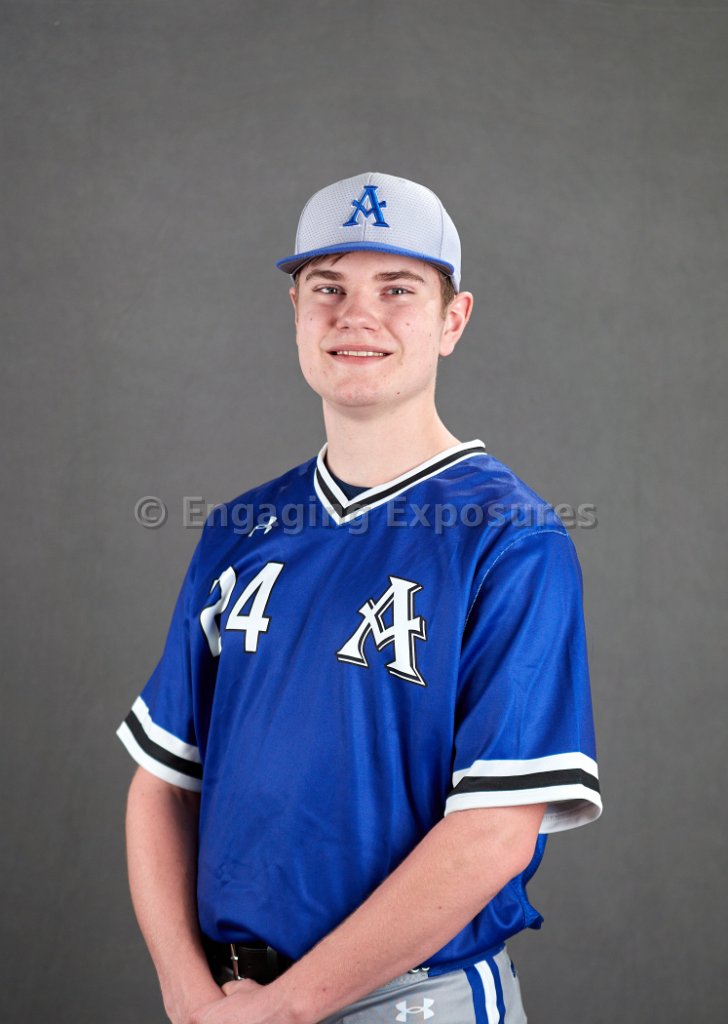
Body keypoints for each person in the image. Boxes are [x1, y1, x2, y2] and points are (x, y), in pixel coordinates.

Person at [118, 171, 602, 1024]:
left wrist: (286, 1009)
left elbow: (493, 832)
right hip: (229, 999)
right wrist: (188, 996)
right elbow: (162, 784)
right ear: (295, 313)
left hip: (415, 999)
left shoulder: (509, 537)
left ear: (453, 320)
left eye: (397, 289)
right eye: (327, 287)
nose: (356, 315)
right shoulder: (238, 529)